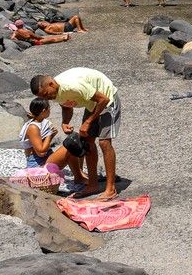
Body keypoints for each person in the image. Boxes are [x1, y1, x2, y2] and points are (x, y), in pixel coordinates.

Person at [30, 68, 122, 201]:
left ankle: (110, 189)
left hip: (107, 99)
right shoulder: (54, 93)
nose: (47, 99)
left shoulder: (72, 86)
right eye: (43, 97)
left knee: (104, 142)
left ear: (51, 84)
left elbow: (103, 99)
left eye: (46, 94)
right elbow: (66, 106)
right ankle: (93, 184)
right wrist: (65, 122)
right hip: (92, 103)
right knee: (87, 142)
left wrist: (88, 122)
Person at [19, 100, 58, 167]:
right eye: (49, 108)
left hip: (45, 156)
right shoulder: (33, 127)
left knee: (69, 148)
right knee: (67, 150)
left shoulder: (41, 123)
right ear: (43, 111)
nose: (50, 110)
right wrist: (50, 135)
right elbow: (41, 152)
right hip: (37, 161)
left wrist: (51, 135)